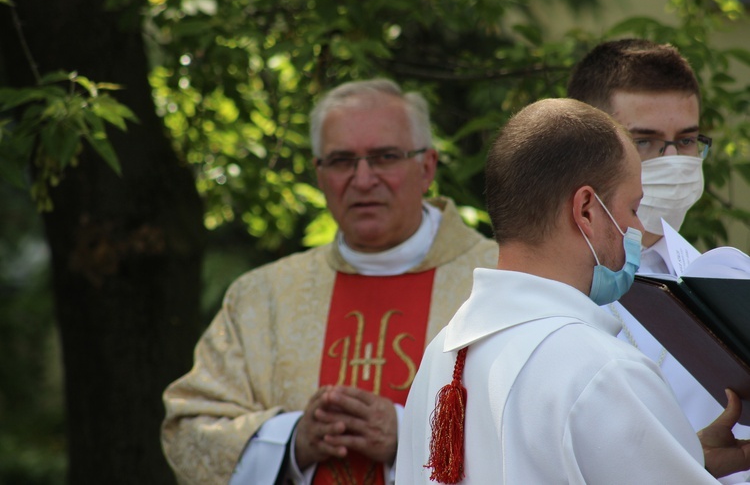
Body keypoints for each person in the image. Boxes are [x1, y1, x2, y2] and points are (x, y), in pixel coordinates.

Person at [160, 78, 498, 484]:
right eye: (341, 161)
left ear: (426, 167)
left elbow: (540, 423)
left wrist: (412, 434)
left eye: (385, 156)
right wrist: (289, 442)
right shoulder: (262, 297)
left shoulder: (497, 282)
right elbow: (189, 428)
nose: (363, 178)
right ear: (319, 176)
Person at [396, 97, 750, 484]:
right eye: (634, 209)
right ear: (586, 209)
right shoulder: (604, 369)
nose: (636, 228)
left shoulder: (440, 355)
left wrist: (685, 458)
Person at [568, 38, 750, 483]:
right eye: (644, 142)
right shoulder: (548, 287)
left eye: (686, 141)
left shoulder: (730, 279)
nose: (672, 162)